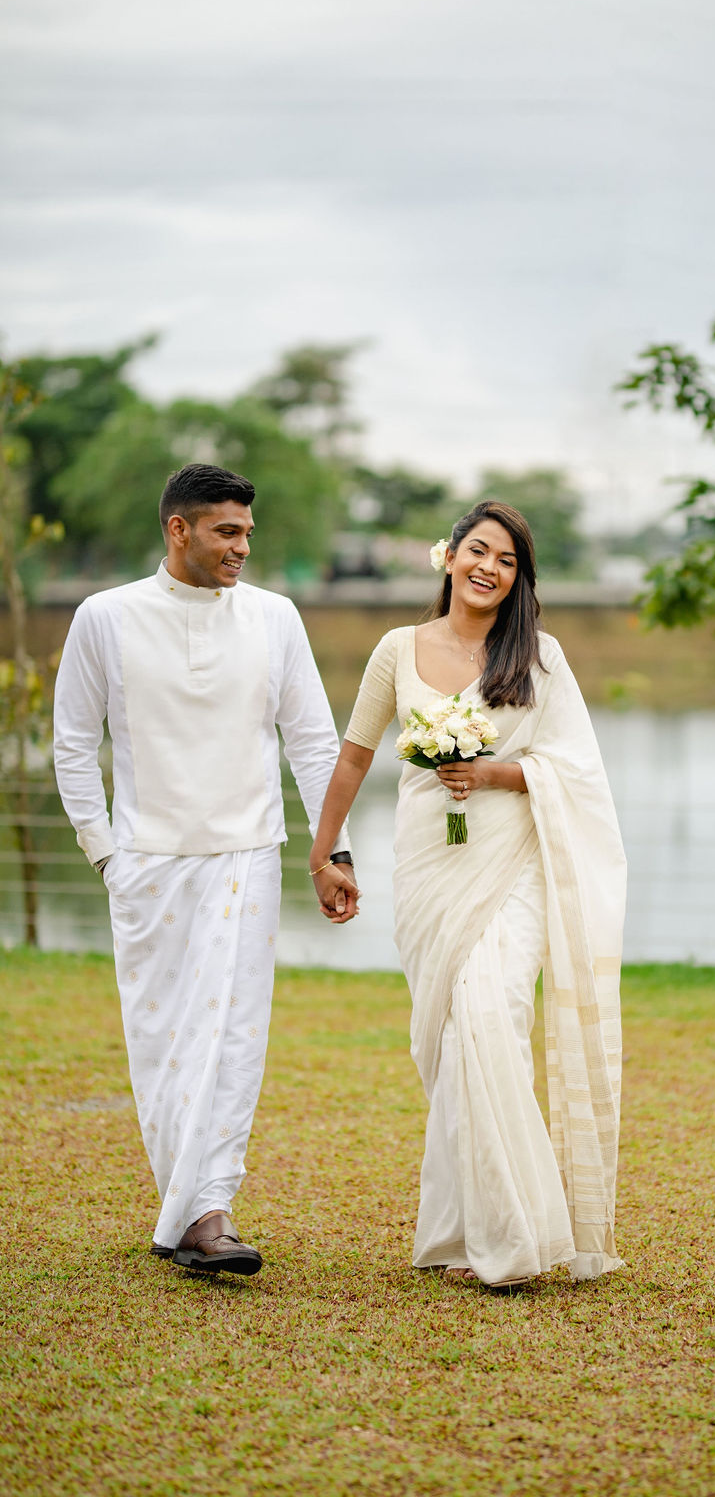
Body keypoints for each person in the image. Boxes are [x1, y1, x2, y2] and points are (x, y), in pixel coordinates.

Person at [310, 501, 626, 1288]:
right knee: (448, 1042)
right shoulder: (396, 649)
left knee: (492, 1018)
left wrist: (490, 772)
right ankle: (459, 1233)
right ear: (446, 556)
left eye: (509, 560)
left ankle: (515, 1239)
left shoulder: (540, 658)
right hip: (428, 863)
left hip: (512, 859)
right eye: (479, 550)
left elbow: (578, 771)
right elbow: (352, 757)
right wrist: (326, 852)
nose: (490, 568)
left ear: (519, 578)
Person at [53, 463, 358, 1276]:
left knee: (231, 1038)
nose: (243, 548)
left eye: (249, 533)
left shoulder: (275, 617)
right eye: (227, 531)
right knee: (160, 1041)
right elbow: (75, 744)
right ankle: (187, 1210)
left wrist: (334, 849)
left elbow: (313, 742)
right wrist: (105, 853)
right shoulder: (105, 618)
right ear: (178, 529)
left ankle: (208, 1214)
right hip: (146, 864)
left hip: (245, 857)